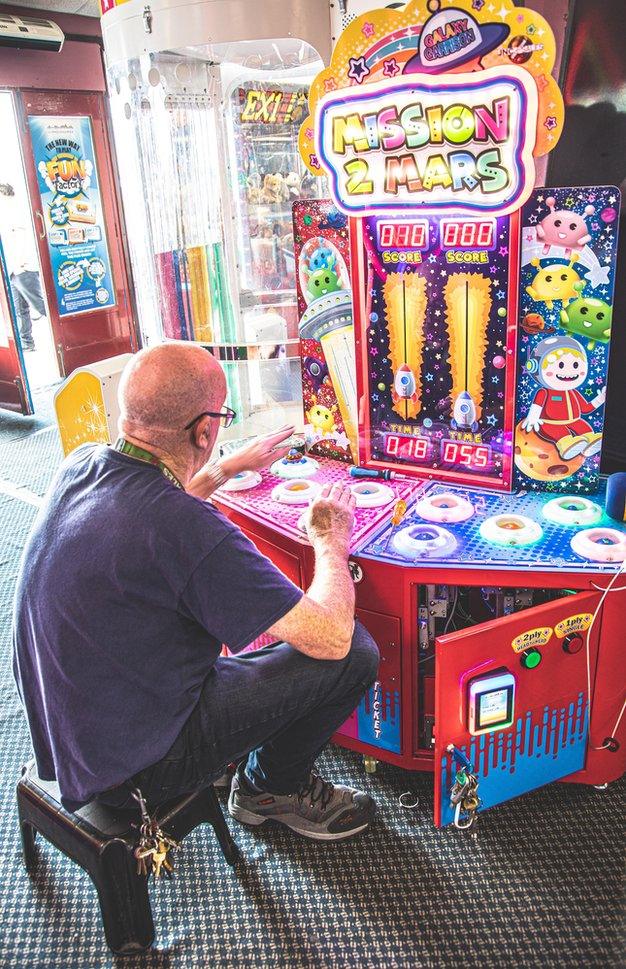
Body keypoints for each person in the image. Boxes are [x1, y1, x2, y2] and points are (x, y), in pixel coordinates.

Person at [13, 343, 379, 841]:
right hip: (135, 769)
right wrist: (330, 541)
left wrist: (225, 469)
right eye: (222, 418)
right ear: (205, 430)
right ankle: (270, 788)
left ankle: (249, 768)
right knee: (355, 652)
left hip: (71, 735)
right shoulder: (190, 531)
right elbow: (332, 636)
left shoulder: (83, 465)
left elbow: (154, 507)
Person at [0, 182, 46, 352]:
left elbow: (24, 240)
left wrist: (22, 261)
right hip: (12, 270)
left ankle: (65, 332)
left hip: (23, 268)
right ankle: (27, 343)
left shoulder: (14, 213)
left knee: (39, 305)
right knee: (19, 309)